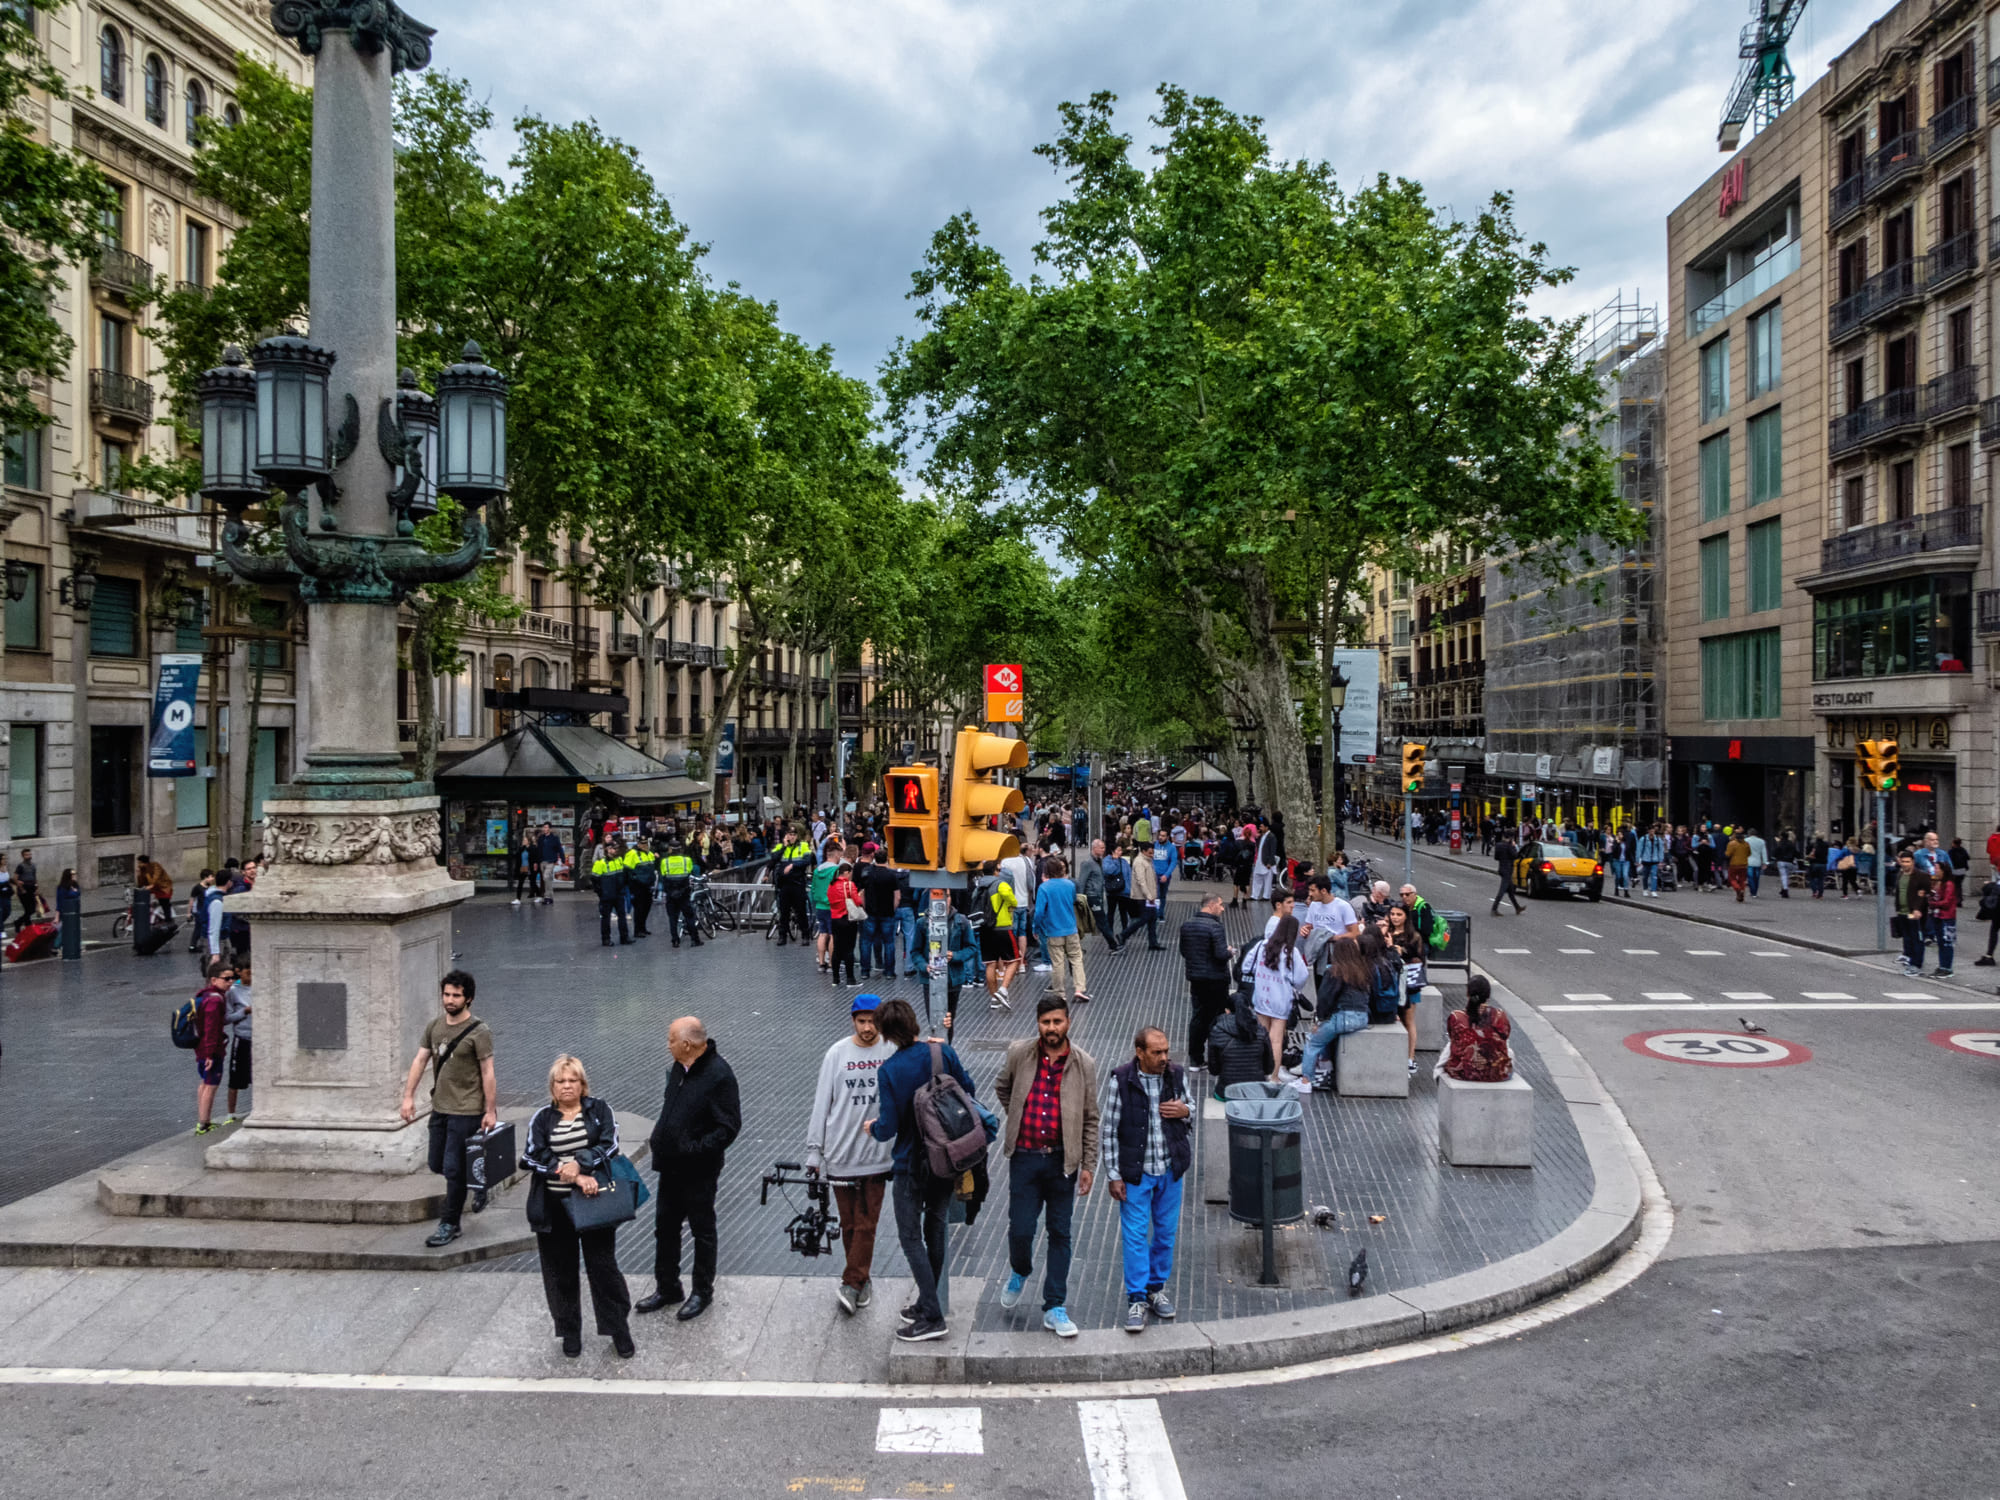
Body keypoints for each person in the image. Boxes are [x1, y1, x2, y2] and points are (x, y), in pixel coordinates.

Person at [868, 997, 979, 1343]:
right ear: (915, 1023)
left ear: (886, 1034)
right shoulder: (940, 1053)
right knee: (935, 1226)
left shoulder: (889, 1071)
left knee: (909, 1236)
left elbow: (887, 1127)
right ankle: (926, 1303)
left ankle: (931, 1314)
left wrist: (871, 1127)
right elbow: (969, 1090)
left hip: (910, 1164)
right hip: (944, 1159)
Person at [993, 996, 1100, 1340]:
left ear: (1068, 1022)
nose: (1052, 1028)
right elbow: (1002, 1086)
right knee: (1021, 1230)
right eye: (1045, 1023)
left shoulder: (1084, 1064)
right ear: (1037, 1024)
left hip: (1061, 1162)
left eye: (1057, 1022)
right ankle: (1020, 1269)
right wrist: (1017, 1117)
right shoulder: (1019, 1053)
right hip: (1024, 1157)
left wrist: (1088, 1164)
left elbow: (1091, 1118)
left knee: (1060, 1232)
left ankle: (1055, 1305)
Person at [522, 1054, 635, 1359]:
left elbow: (610, 1144)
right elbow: (531, 1156)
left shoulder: (599, 1110)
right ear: (552, 1086)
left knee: (603, 1268)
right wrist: (566, 1171)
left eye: (573, 1080)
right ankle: (569, 1331)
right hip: (554, 1206)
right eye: (561, 1081)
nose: (567, 1086)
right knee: (560, 1272)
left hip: (594, 1202)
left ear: (583, 1084)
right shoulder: (542, 1119)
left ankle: (618, 1328)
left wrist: (580, 1164)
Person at [638, 1016, 742, 1322]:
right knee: (665, 1228)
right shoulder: (677, 1068)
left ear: (686, 1044)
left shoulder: (719, 1075)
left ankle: (702, 1292)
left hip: (699, 1170)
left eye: (670, 1039)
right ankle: (668, 1287)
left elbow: (729, 1127)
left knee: (702, 1230)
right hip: (670, 1166)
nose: (667, 1044)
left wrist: (695, 1150)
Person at [804, 994, 896, 1314]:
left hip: (878, 1155)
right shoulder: (836, 1054)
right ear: (853, 1021)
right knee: (849, 1224)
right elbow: (821, 1105)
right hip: (841, 1155)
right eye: (862, 1021)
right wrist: (815, 1152)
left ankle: (851, 1282)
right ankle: (862, 1280)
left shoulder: (892, 1049)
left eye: (873, 1021)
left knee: (867, 1223)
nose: (868, 1028)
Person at [1103, 1026, 1192, 1335]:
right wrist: (1114, 1175)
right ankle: (1137, 1298)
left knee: (1165, 1234)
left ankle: (1156, 1288)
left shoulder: (1176, 1075)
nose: (1164, 1057)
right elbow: (1109, 1129)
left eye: (1166, 1051)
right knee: (1136, 1236)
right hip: (1136, 1174)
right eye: (1157, 1052)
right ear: (1139, 1052)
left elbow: (1190, 1108)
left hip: (1170, 1169)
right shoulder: (1122, 1080)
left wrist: (1185, 1110)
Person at [398, 969, 496, 1248]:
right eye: (446, 994)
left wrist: (490, 1110)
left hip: (467, 1109)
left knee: (453, 1169)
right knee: (437, 1163)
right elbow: (419, 1061)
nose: (449, 1000)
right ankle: (477, 1179)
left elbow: (488, 1072)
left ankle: (449, 1223)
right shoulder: (434, 1027)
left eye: (456, 995)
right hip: (440, 1106)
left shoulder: (480, 1032)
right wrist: (408, 1097)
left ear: (469, 999)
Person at [1289, 935, 1373, 1092]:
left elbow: (1325, 998)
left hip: (1342, 1017)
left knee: (1313, 1041)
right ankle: (1326, 1068)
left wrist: (1319, 1020)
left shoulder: (1334, 971)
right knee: (1325, 1037)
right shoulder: (1362, 970)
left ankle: (1306, 1081)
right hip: (1362, 1017)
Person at [1250, 914, 1310, 1084]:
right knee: (1276, 1039)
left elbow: (1248, 965)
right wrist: (1294, 987)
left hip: (1262, 997)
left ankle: (1258, 1072)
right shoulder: (1291, 952)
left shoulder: (1262, 945)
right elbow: (1302, 976)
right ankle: (1273, 1076)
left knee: (1261, 1037)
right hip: (1281, 1000)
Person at [1178, 891, 1235, 1067]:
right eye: (1220, 904)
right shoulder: (1215, 927)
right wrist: (1229, 952)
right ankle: (1216, 1058)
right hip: (1216, 980)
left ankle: (1195, 1058)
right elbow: (1220, 954)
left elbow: (1183, 951)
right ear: (1211, 905)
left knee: (1198, 1017)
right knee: (1217, 1018)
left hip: (1196, 979)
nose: (1222, 909)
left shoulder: (1187, 925)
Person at [1205, 975, 1275, 1098]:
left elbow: (1214, 1069)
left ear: (1227, 1011)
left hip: (1227, 1092)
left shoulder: (1217, 1031)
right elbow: (1269, 1067)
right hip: (1257, 1092)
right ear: (1248, 1009)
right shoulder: (1260, 1031)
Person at [1034, 855, 1090, 1006]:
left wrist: (1036, 928)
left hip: (1053, 931)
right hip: (1071, 929)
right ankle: (1079, 989)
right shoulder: (1069, 885)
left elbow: (1039, 912)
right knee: (1076, 959)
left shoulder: (1044, 888)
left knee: (1058, 963)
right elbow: (1072, 901)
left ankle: (1060, 993)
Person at [1442, 975, 1512, 1083]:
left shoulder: (1456, 1017)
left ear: (1467, 994)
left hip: (1463, 1072)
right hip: (1497, 1072)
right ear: (1488, 996)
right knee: (1509, 1051)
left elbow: (1453, 1037)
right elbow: (1506, 1036)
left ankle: (1436, 1076)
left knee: (1450, 1047)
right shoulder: (1499, 1015)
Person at [190, 958, 233, 1135]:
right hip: (211, 1050)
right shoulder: (215, 1002)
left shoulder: (204, 995)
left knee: (204, 1083)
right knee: (211, 1084)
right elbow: (211, 1029)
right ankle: (204, 1124)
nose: (230, 982)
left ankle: (203, 1121)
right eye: (227, 979)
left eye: (232, 978)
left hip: (202, 1048)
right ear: (214, 980)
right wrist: (209, 1054)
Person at [976, 859, 1023, 1007]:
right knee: (1015, 960)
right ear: (996, 871)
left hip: (985, 928)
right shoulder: (1000, 885)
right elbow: (1013, 902)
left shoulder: (979, 886)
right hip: (1002, 927)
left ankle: (994, 999)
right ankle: (1003, 990)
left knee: (990, 963)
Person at [856, 845, 901, 982]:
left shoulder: (867, 873)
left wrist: (865, 907)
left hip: (870, 912)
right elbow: (897, 896)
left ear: (874, 858)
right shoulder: (892, 875)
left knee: (866, 941)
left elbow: (862, 894)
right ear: (886, 859)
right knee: (889, 942)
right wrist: (892, 909)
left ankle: (865, 971)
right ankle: (889, 971)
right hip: (887, 913)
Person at [1118, 837, 1165, 951]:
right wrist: (1149, 896)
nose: (1152, 855)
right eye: (1150, 853)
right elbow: (1141, 881)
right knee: (1145, 918)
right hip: (1143, 897)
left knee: (1152, 918)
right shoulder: (1139, 862)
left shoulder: (1147, 861)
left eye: (1153, 852)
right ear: (1143, 851)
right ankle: (1124, 934)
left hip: (1149, 896)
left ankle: (1153, 942)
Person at [223, 959, 253, 1124]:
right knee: (235, 1078)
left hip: (259, 1038)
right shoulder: (233, 992)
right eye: (248, 972)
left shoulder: (262, 985)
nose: (252, 975)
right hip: (242, 1038)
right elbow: (227, 1018)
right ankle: (230, 1113)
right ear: (239, 971)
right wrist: (244, 1011)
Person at [772, 829, 814, 946]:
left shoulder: (803, 846)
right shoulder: (780, 846)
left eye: (794, 834)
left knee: (801, 911)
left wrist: (793, 865)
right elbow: (774, 859)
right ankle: (782, 936)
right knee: (784, 912)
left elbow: (807, 860)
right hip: (784, 884)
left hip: (797, 883)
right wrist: (784, 847)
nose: (792, 837)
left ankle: (805, 935)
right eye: (789, 834)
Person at [1894, 851, 1932, 973]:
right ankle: (1908, 959)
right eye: (1903, 862)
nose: (1905, 864)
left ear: (1913, 862)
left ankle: (1916, 964)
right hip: (1902, 911)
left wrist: (1917, 909)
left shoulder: (1921, 876)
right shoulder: (1900, 875)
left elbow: (1923, 895)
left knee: (1917, 938)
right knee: (1907, 937)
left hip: (1914, 913)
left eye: (1907, 862)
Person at [593, 836, 631, 946]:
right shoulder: (600, 864)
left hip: (619, 893)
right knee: (606, 918)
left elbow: (623, 876)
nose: (616, 850)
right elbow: (595, 880)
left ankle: (624, 937)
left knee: (622, 916)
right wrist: (601, 893)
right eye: (614, 849)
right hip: (607, 895)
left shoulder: (619, 860)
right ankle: (606, 939)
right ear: (608, 850)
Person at [810, 841, 839, 972]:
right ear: (836, 855)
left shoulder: (817, 870)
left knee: (823, 933)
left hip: (820, 905)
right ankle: (832, 963)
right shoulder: (836, 870)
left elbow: (813, 888)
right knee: (833, 935)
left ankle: (822, 963)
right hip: (832, 906)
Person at [1928, 860, 1958, 979]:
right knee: (1940, 942)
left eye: (1937, 869)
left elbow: (1947, 901)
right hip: (1937, 916)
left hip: (1947, 917)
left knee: (1947, 943)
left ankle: (1947, 967)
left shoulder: (1949, 884)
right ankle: (1942, 965)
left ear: (1943, 870)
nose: (1935, 871)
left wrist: (1933, 903)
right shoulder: (1937, 883)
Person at [1491, 829, 1524, 915]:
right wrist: (1514, 847)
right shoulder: (1509, 846)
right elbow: (1515, 856)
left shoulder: (1498, 845)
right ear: (1511, 838)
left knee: (1511, 890)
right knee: (1502, 891)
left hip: (1501, 868)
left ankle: (1517, 907)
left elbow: (1496, 858)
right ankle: (1494, 908)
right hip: (1508, 870)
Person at [535, 822, 563, 904]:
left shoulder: (554, 838)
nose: (545, 829)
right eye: (544, 827)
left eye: (546, 827)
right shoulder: (541, 838)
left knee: (546, 877)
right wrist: (537, 861)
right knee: (548, 879)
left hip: (550, 861)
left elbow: (559, 848)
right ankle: (551, 897)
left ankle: (547, 896)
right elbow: (538, 850)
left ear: (549, 829)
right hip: (542, 861)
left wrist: (562, 859)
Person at [12, 849, 36, 934]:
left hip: (31, 888)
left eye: (29, 854)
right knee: (29, 909)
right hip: (23, 889)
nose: (29, 856)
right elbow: (15, 878)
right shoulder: (20, 866)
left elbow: (34, 877)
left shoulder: (33, 866)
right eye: (26, 855)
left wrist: (36, 887)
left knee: (31, 909)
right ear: (23, 856)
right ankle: (24, 924)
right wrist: (21, 889)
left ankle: (20, 923)